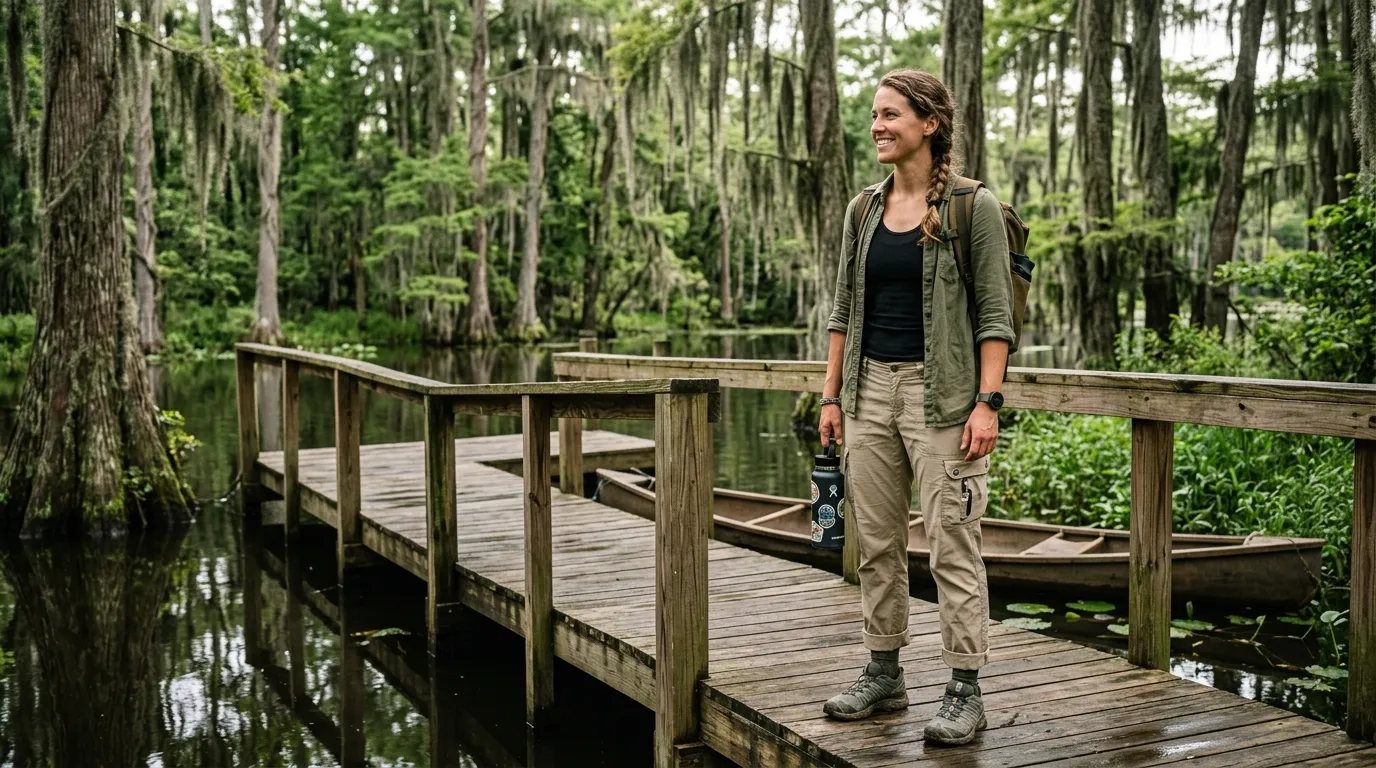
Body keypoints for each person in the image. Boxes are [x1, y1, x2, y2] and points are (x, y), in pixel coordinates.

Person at [816, 68, 1014, 746]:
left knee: (953, 546)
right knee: (877, 543)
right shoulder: (862, 209)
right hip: (869, 392)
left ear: (928, 124)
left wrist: (987, 403)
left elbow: (996, 315)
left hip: (944, 399)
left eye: (891, 113)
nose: (877, 124)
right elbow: (843, 308)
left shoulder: (971, 206)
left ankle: (965, 690)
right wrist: (831, 394)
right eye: (874, 113)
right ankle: (884, 670)